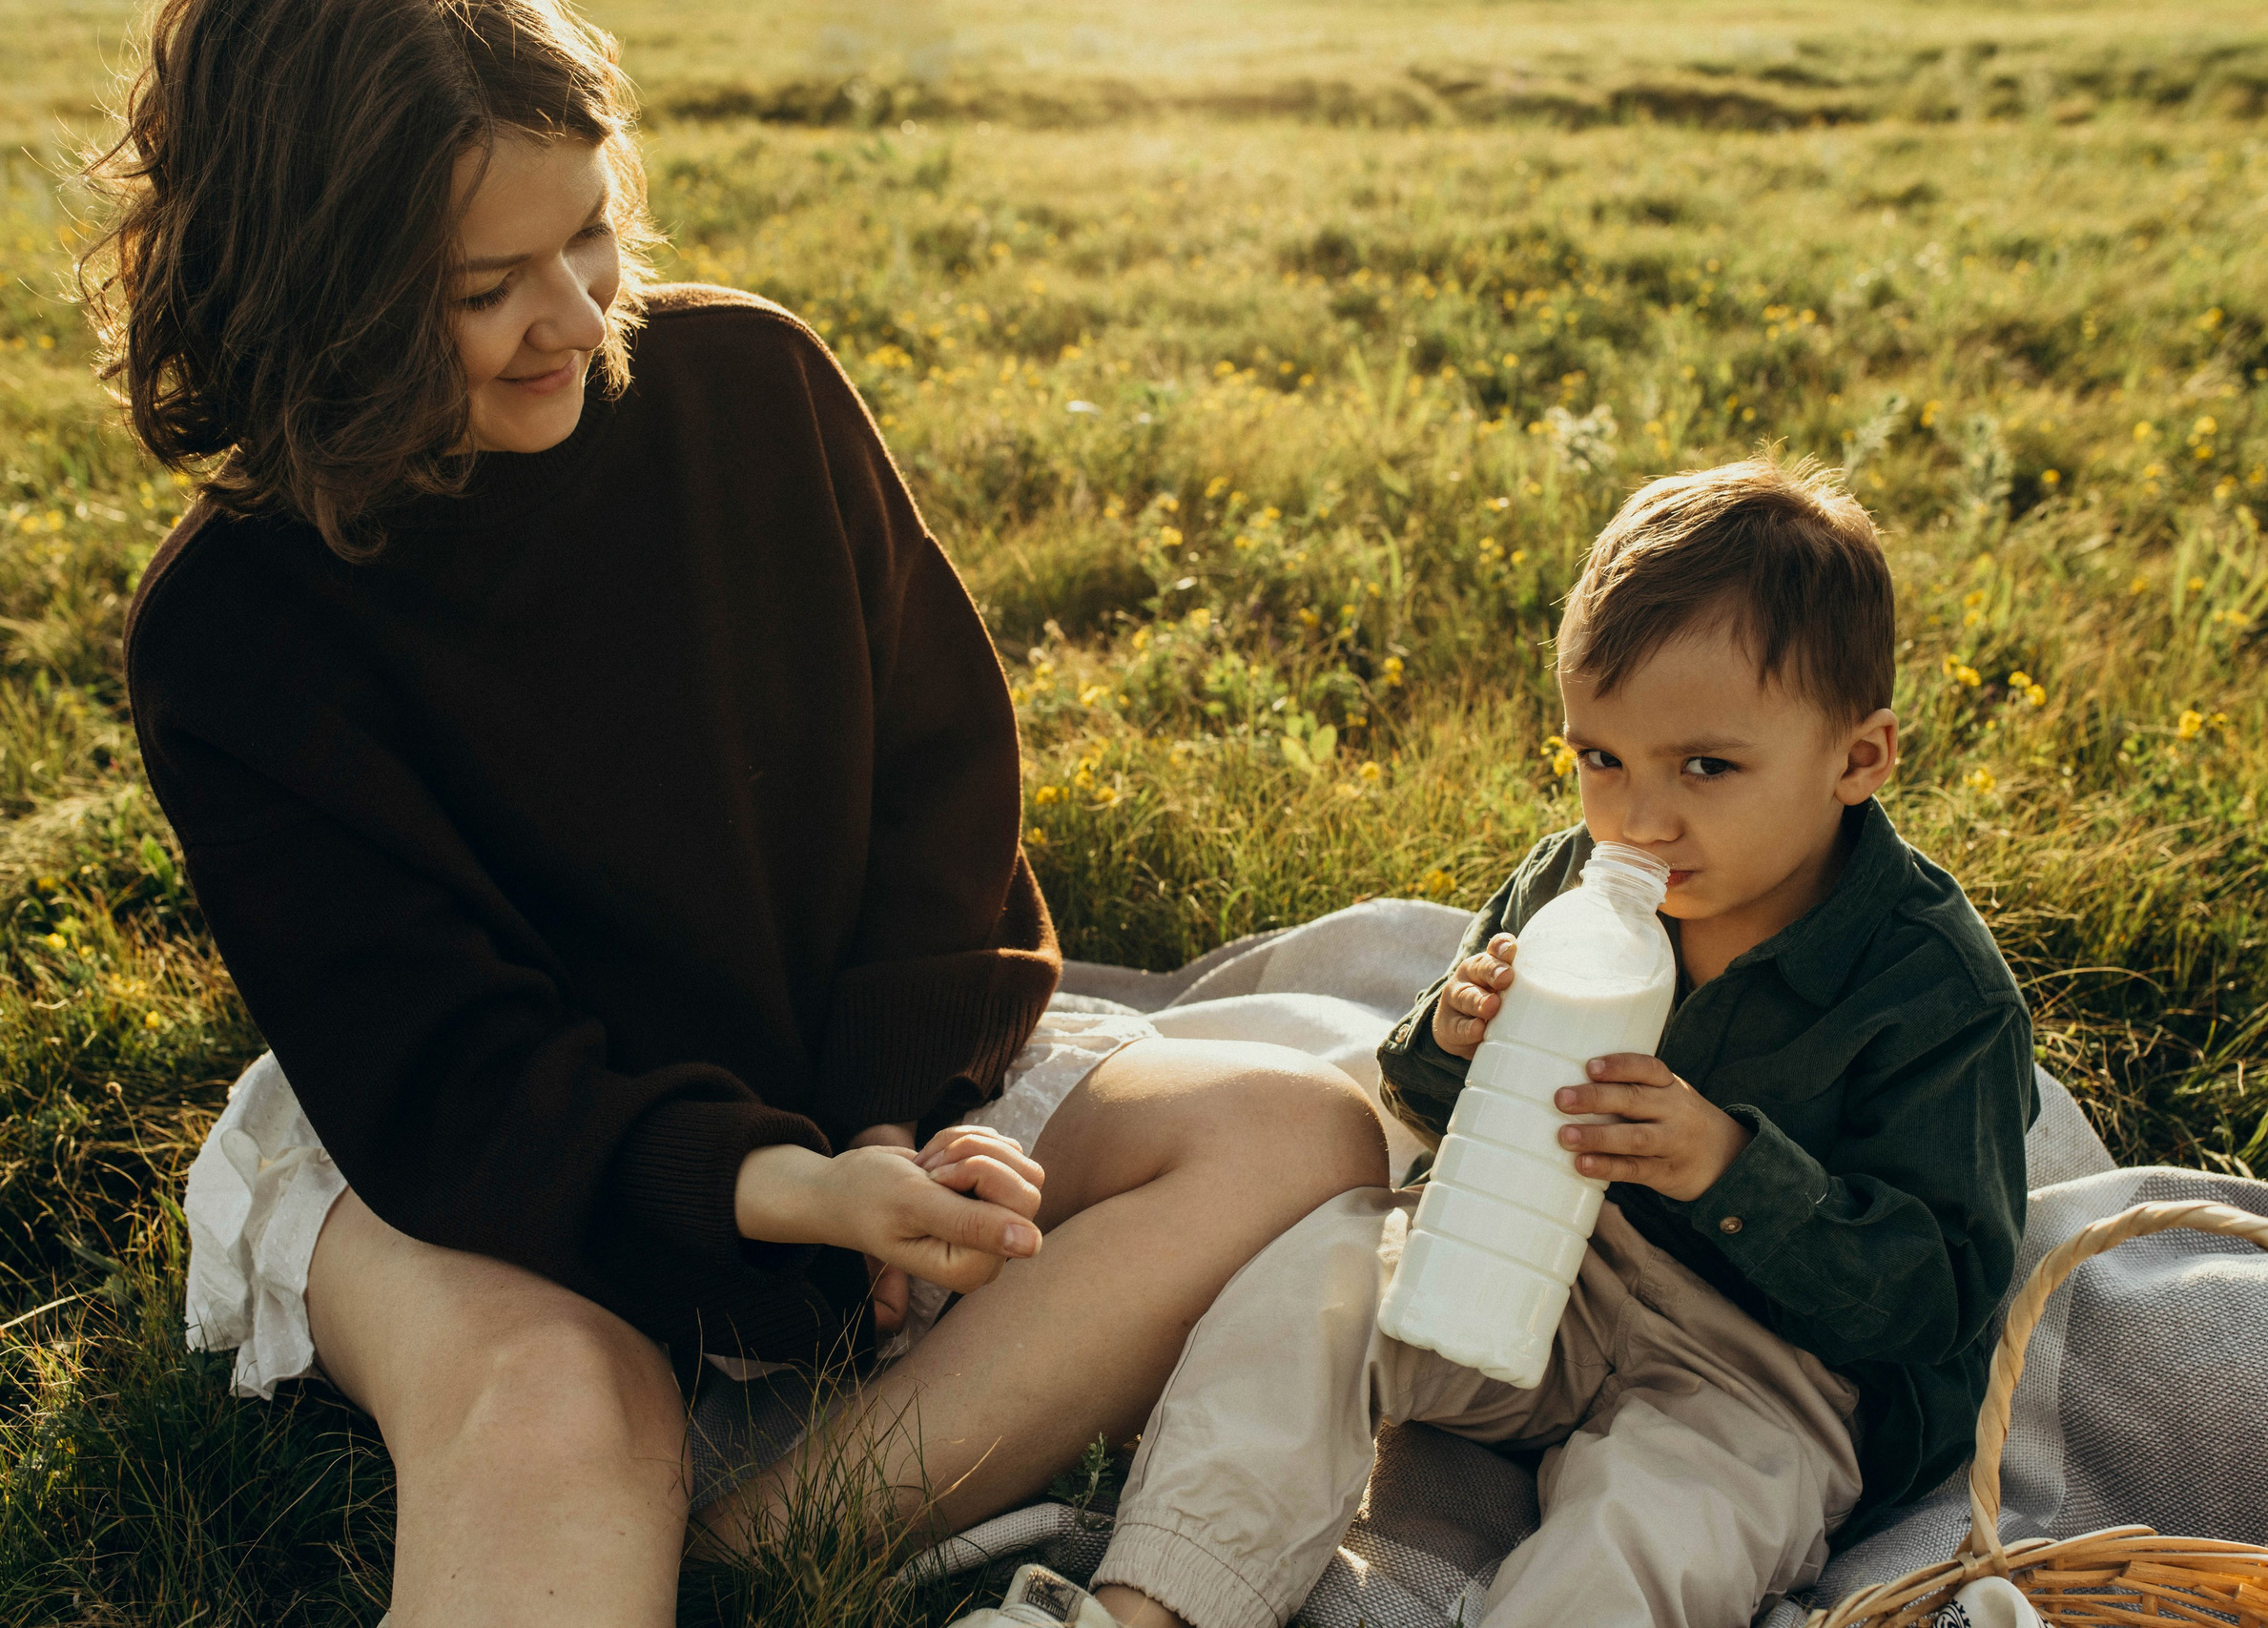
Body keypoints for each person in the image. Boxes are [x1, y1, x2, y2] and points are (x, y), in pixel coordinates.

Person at [88, 1, 1390, 1622]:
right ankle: (627, 1512)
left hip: (828, 1073)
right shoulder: (234, 625)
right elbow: (449, 1079)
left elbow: (936, 805)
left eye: (589, 237)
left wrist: (887, 1125)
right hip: (479, 1143)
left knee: (1303, 1122)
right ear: (316, 302)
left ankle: (755, 1550)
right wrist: (784, 1193)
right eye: (484, 292)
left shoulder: (752, 387)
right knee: (569, 1404)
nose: (571, 317)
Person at [1030, 459, 2036, 1628]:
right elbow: (1424, 1093)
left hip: (1766, 1372)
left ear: (1856, 760)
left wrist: (1726, 1164)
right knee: (1311, 1285)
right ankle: (1152, 1606)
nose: (1638, 819)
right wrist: (1458, 1037)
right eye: (1599, 758)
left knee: (1652, 1531)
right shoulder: (1573, 879)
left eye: (1705, 767)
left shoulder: (1932, 989)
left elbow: (1942, 1294)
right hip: (1532, 1263)